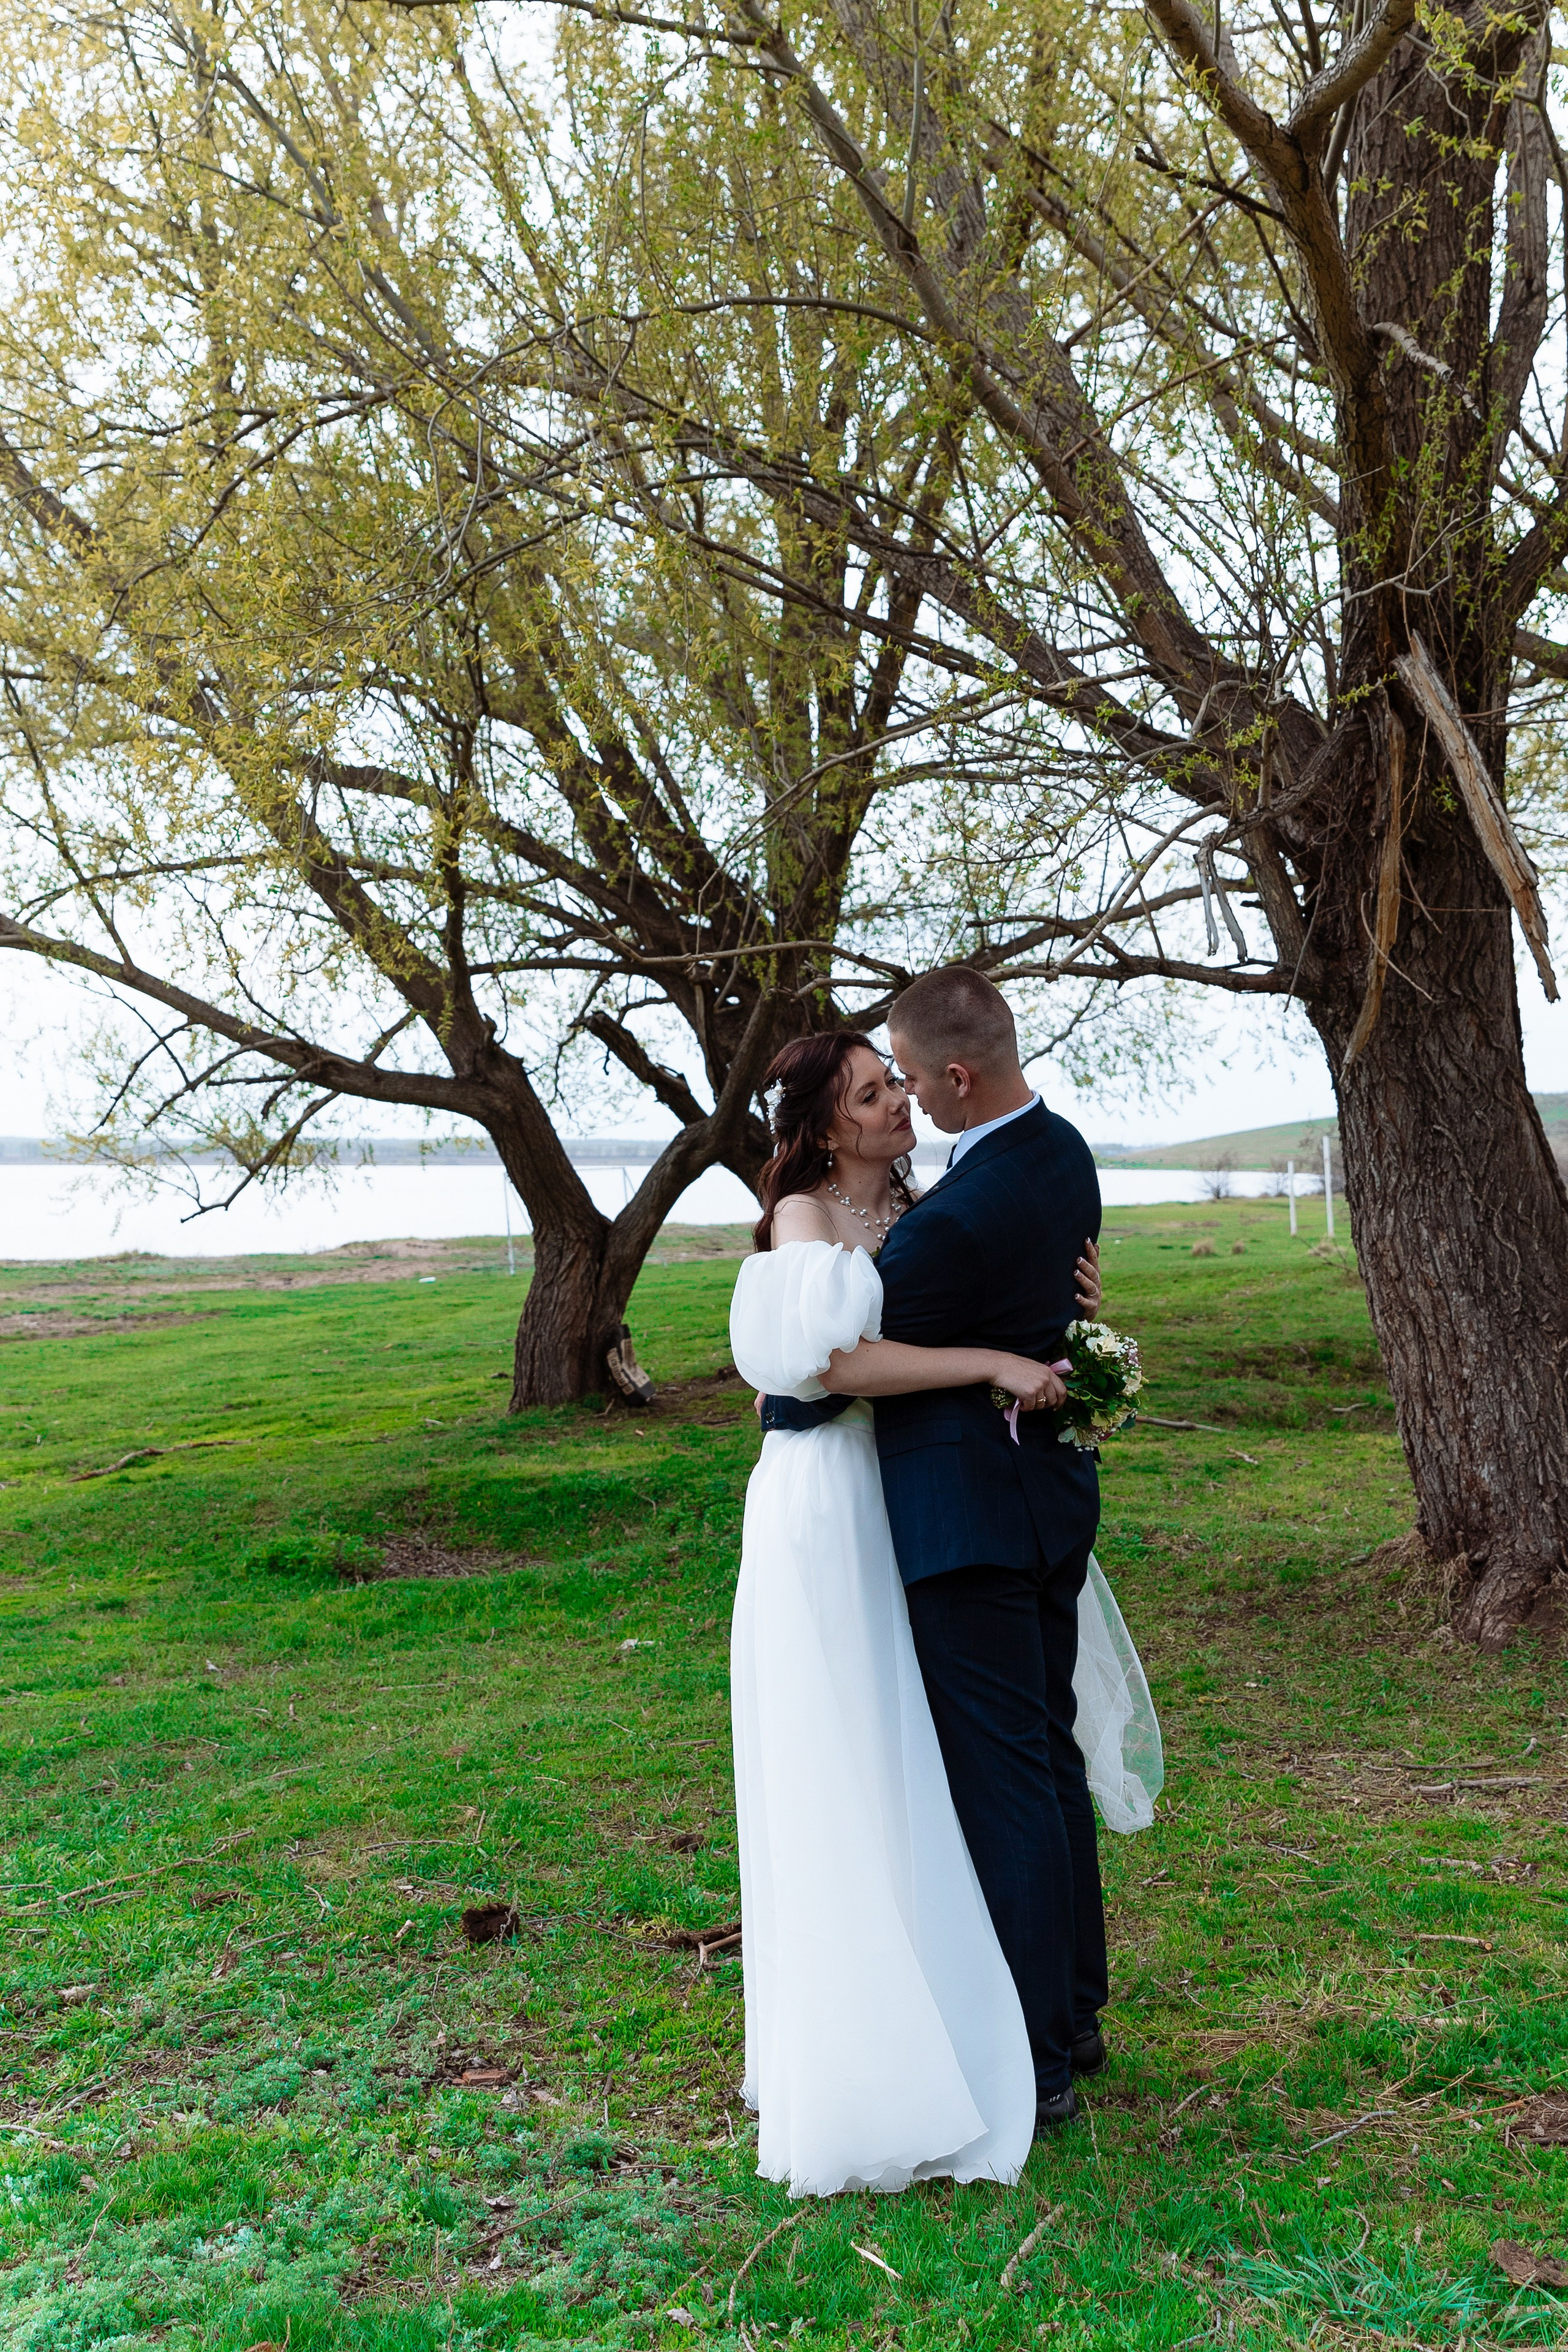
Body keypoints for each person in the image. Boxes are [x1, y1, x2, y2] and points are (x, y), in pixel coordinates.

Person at [728, 1012, 1160, 2199]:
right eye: (870, 1095)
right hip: (830, 1499)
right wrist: (993, 1359)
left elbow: (977, 1283)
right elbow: (826, 1370)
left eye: (895, 1084)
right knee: (868, 1744)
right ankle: (928, 2012)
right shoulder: (802, 1219)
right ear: (822, 1126)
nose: (894, 1106)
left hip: (910, 1498)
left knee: (965, 1756)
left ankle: (1029, 2015)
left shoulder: (924, 1217)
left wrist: (1057, 1307)